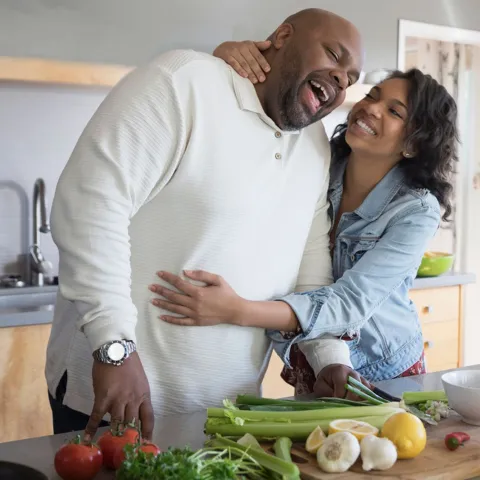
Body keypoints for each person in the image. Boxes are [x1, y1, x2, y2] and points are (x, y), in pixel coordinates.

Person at [46, 8, 364, 439]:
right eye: (333, 54)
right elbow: (89, 205)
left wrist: (328, 357)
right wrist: (113, 348)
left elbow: (309, 268)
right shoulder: (183, 83)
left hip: (229, 414)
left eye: (350, 77)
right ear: (283, 35)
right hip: (115, 395)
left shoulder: (314, 146)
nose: (340, 78)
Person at [149, 50, 458, 397]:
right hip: (312, 356)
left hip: (383, 368)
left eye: (394, 111)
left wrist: (238, 311)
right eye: (373, 95)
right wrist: (234, 56)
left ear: (414, 144)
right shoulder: (317, 164)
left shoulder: (416, 210)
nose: (371, 108)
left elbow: (348, 303)